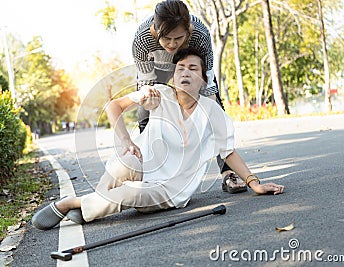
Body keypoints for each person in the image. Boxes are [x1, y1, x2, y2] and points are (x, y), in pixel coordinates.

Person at [32, 48, 285, 230]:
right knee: (124, 163)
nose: (185, 72)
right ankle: (90, 208)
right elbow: (113, 106)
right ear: (173, 77)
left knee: (133, 193)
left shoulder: (212, 111)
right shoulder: (159, 94)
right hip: (144, 167)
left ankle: (71, 204)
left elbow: (228, 152)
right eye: (180, 68)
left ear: (204, 80)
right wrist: (126, 141)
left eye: (193, 68)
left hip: (170, 188)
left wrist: (254, 184)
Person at [133, 0, 245, 193]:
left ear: (189, 30)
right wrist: (148, 96)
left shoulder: (200, 33)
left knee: (216, 113)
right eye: (166, 38)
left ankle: (228, 173)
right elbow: (145, 81)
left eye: (178, 38)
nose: (172, 44)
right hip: (158, 70)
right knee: (145, 116)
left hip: (189, 67)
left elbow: (207, 78)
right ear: (155, 30)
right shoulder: (142, 38)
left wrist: (211, 110)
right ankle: (150, 173)